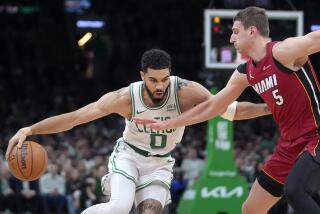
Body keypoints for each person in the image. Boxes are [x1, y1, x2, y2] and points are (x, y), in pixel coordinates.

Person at [6, 49, 270, 214]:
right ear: (142, 75)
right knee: (120, 207)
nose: (160, 85)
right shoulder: (125, 98)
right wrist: (29, 129)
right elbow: (75, 118)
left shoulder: (187, 92)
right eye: (153, 79)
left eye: (165, 79)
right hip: (129, 157)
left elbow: (233, 111)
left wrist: (271, 108)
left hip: (160, 164)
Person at [134, 7, 320, 214]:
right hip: (289, 144)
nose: (231, 38)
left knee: (295, 190)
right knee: (251, 209)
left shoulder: (283, 51)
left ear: (252, 31)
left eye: (235, 31)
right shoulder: (244, 73)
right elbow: (214, 107)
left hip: (316, 135)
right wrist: (167, 123)